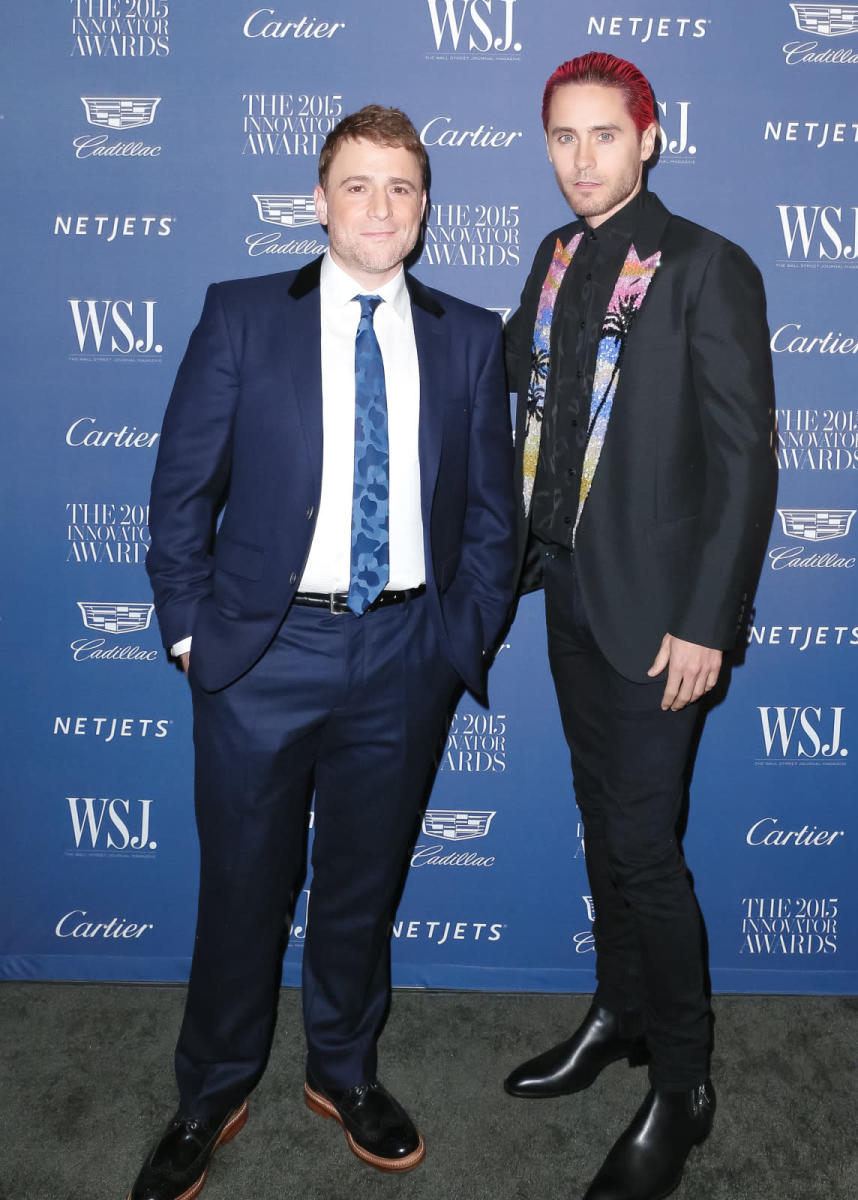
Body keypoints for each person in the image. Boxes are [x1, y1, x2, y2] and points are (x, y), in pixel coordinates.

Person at [132, 104, 516, 1200]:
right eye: (358, 186)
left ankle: (344, 1072)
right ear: (320, 200)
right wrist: (194, 631)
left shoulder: (468, 336)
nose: (381, 208)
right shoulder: (242, 317)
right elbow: (178, 494)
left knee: (363, 883)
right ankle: (210, 1088)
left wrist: (460, 635)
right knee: (243, 885)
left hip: (405, 652)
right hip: (262, 653)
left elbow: (494, 513)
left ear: (426, 206)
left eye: (402, 187)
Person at [503, 53, 777, 1200]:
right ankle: (619, 1010)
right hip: (569, 595)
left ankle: (685, 1082)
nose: (580, 159)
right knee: (598, 823)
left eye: (602, 136)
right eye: (561, 137)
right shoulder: (555, 259)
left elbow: (743, 465)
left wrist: (709, 622)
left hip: (662, 622)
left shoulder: (710, 267)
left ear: (649, 138)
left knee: (645, 848)